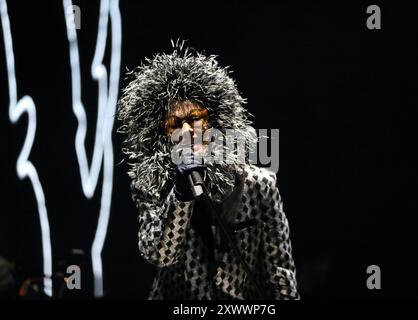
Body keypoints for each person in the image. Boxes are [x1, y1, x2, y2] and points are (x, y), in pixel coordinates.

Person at [117, 41, 300, 300]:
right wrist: (181, 195)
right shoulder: (151, 187)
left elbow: (279, 271)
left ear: (212, 119)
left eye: (194, 118)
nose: (188, 130)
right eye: (176, 123)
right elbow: (159, 253)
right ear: (163, 133)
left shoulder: (259, 185)